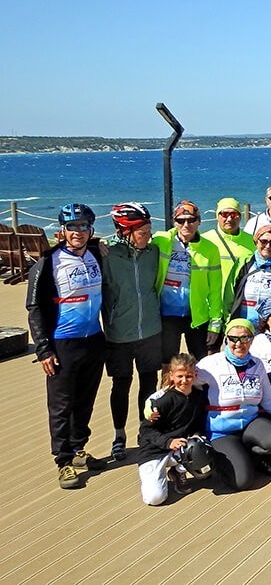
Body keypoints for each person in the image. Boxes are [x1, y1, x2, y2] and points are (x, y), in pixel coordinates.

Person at [26, 203, 107, 489]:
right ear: (62, 230)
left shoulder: (97, 253)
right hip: (63, 342)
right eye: (72, 227)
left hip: (94, 340)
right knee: (61, 406)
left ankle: (78, 450)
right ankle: (63, 461)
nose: (78, 232)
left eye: (83, 227)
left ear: (90, 229)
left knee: (85, 400)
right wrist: (43, 349)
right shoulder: (48, 263)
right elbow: (34, 307)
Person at [195, 317, 271, 491]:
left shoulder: (257, 364)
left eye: (245, 338)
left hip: (250, 423)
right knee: (242, 482)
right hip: (221, 431)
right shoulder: (211, 364)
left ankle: (249, 455)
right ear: (226, 340)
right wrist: (155, 403)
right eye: (233, 339)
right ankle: (223, 458)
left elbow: (269, 401)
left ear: (251, 340)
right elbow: (182, 381)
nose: (239, 343)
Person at [102, 202, 162, 462]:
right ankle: (118, 436)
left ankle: (144, 431)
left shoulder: (154, 252)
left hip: (150, 330)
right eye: (142, 232)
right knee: (121, 385)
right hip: (119, 334)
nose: (148, 235)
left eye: (149, 230)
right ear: (124, 232)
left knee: (148, 384)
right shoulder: (107, 256)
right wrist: (94, 244)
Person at [154, 201, 224, 361]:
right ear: (174, 222)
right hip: (166, 315)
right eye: (181, 220)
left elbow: (215, 289)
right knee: (168, 365)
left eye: (191, 220)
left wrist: (215, 324)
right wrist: (99, 243)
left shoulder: (210, 249)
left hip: (196, 316)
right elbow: (137, 242)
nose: (186, 224)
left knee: (201, 365)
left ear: (199, 221)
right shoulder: (161, 240)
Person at [137, 353, 207, 505]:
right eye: (180, 376)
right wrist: (168, 442)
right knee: (155, 499)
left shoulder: (198, 396)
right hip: (154, 451)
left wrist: (197, 435)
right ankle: (156, 475)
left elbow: (197, 423)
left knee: (201, 445)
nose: (184, 380)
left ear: (195, 375)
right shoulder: (162, 401)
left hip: (178, 448)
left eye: (189, 376)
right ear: (171, 375)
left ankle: (178, 472)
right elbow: (146, 431)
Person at [224, 224, 271, 322]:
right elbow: (229, 296)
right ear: (256, 242)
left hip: (269, 329)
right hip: (242, 328)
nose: (268, 246)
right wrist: (228, 323)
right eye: (263, 241)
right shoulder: (242, 264)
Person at [202, 197, 255, 290]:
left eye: (234, 214)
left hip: (241, 299)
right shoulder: (205, 240)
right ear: (217, 216)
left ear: (240, 216)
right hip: (213, 300)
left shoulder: (252, 241)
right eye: (225, 214)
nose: (229, 219)